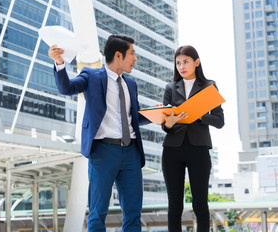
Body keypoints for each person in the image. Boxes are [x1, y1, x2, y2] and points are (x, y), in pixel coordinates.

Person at [48, 34, 151, 231]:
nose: (135, 59)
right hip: (103, 152)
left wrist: (159, 114)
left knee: (133, 212)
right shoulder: (91, 76)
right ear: (118, 55)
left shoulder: (131, 84)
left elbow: (134, 117)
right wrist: (59, 63)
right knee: (97, 212)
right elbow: (66, 87)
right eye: (132, 54)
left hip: (131, 153)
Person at [161, 45, 224, 232]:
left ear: (196, 62)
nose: (181, 66)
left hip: (199, 149)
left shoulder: (209, 86)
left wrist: (199, 115)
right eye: (178, 63)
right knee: (174, 205)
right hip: (172, 149)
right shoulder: (170, 88)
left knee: (200, 204)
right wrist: (168, 122)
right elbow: (164, 126)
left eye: (185, 62)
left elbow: (220, 121)